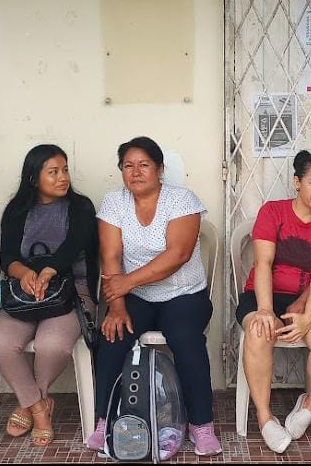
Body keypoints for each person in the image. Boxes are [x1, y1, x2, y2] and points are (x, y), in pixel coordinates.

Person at [85, 136, 223, 457]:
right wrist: (116, 307)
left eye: (144, 165)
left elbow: (178, 254)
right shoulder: (114, 202)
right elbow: (110, 256)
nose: (135, 172)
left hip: (184, 294)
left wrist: (125, 283)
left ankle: (201, 425)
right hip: (136, 296)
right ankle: (105, 422)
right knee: (113, 335)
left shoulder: (182, 200)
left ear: (160, 169)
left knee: (185, 338)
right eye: (128, 166)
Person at [0, 144, 98, 447]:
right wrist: (24, 274)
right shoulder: (16, 210)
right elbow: (7, 256)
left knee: (52, 345)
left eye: (65, 170)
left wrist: (48, 271)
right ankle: (39, 408)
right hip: (26, 293)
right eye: (53, 172)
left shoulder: (81, 207)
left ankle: (29, 402)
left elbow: (73, 246)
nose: (63, 177)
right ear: (34, 178)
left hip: (73, 291)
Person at [237, 151, 311, 453]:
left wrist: (308, 318)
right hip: (264, 295)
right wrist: (265, 309)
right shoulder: (273, 212)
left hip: (307, 299)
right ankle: (265, 417)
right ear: (297, 183)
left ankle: (309, 405)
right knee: (259, 330)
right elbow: (263, 263)